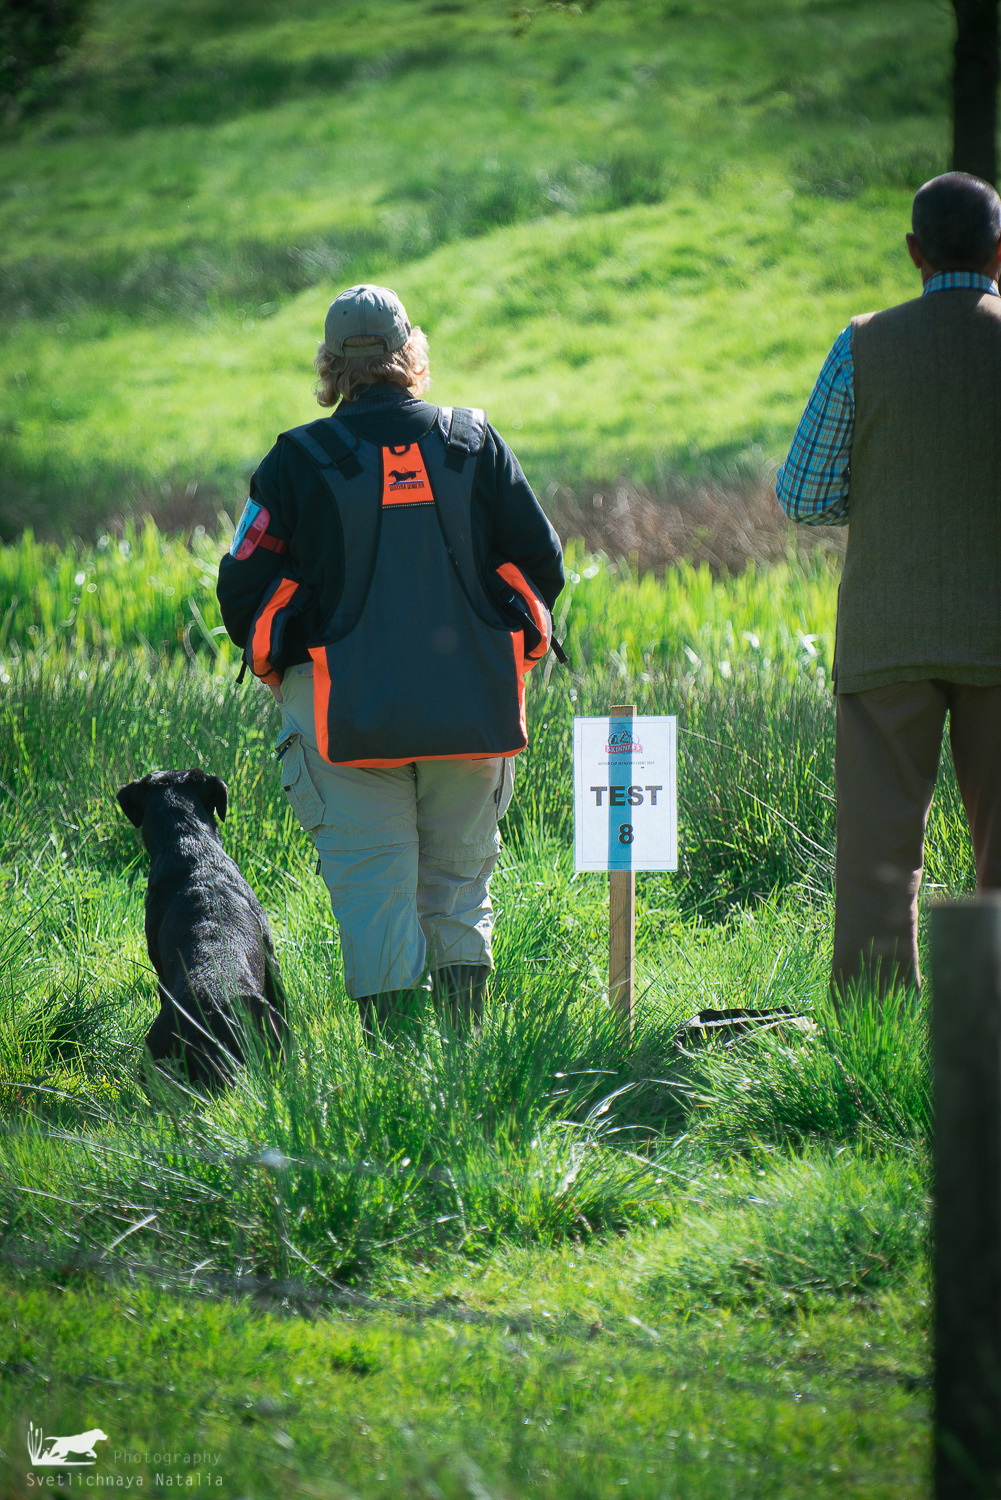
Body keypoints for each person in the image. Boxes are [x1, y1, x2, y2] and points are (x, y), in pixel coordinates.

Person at [217, 284, 564, 1039]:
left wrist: (298, 667)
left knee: (375, 892)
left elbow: (241, 588)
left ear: (332, 366)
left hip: (338, 714)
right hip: (472, 710)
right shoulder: (474, 442)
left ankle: (398, 1089)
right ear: (411, 351)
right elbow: (542, 569)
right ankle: (464, 1073)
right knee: (459, 890)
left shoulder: (296, 460)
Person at [777, 172, 1001, 1001]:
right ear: (999, 253)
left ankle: (873, 1030)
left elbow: (799, 497)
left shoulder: (861, 343)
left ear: (913, 253)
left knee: (878, 857)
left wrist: (884, 495)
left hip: (886, 634)